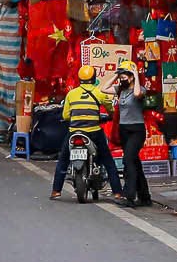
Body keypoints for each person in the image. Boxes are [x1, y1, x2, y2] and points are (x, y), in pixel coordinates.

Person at [52, 65, 116, 201]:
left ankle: (56, 190)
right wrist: (110, 114)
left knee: (63, 160)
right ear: (93, 78)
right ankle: (117, 192)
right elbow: (110, 109)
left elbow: (65, 115)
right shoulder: (99, 93)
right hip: (93, 132)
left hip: (74, 132)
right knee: (107, 160)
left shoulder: (71, 94)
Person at [111, 62, 152, 208]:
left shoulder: (140, 89)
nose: (122, 78)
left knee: (128, 160)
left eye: (124, 75)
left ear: (131, 77)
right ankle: (145, 197)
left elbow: (136, 94)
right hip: (124, 130)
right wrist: (116, 74)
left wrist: (135, 74)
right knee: (134, 162)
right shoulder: (120, 90)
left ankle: (128, 195)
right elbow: (103, 88)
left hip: (137, 130)